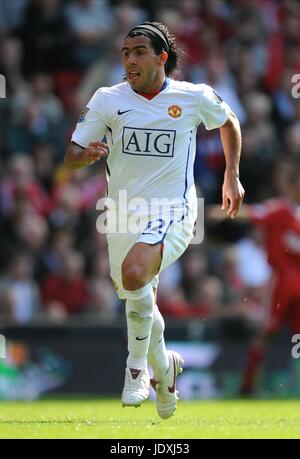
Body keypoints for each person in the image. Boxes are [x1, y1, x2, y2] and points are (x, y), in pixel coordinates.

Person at [64, 22, 244, 418]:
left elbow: (229, 121)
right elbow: (72, 153)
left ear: (162, 57)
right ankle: (167, 369)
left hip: (175, 211)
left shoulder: (192, 97)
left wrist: (231, 175)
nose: (130, 60)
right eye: (126, 52)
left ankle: (135, 368)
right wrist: (87, 154)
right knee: (135, 293)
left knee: (135, 274)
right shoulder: (108, 99)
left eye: (139, 52)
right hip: (120, 213)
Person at [209, 157, 300, 395]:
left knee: (265, 333)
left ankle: (248, 385)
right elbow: (256, 213)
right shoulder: (283, 211)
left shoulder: (281, 209)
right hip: (289, 279)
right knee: (294, 337)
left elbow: (254, 213)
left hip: (283, 281)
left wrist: (223, 212)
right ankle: (268, 385)